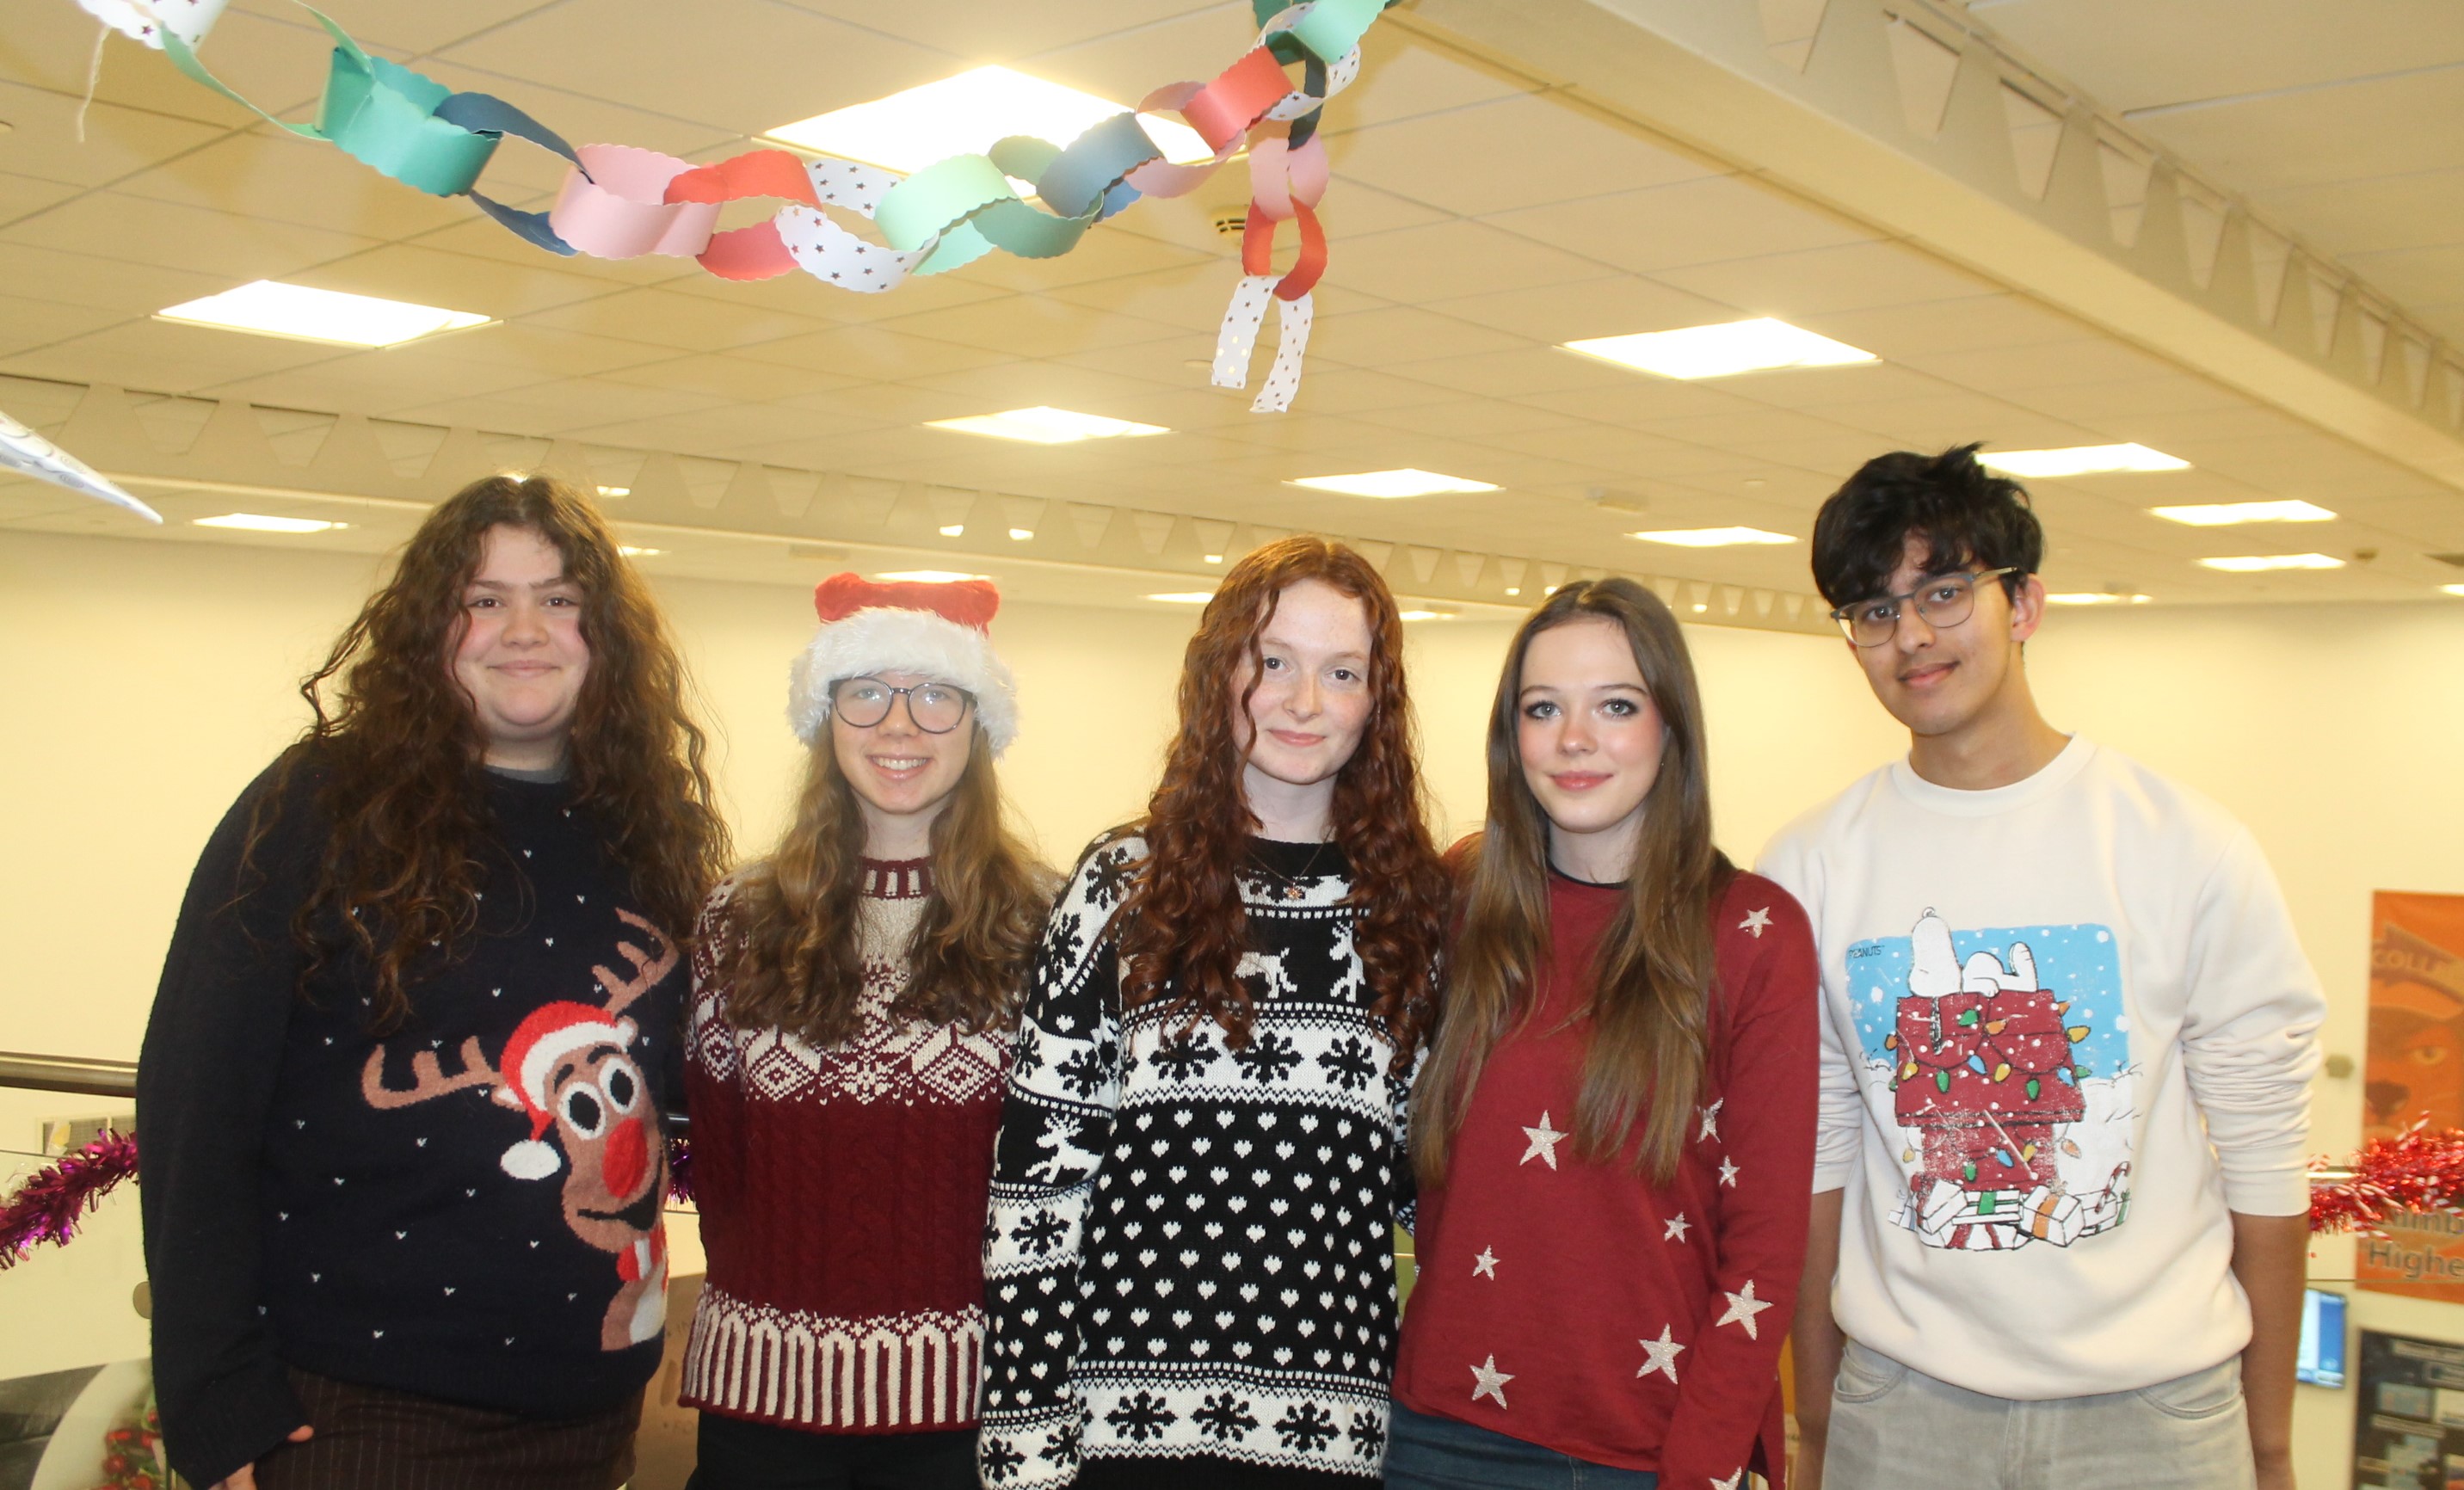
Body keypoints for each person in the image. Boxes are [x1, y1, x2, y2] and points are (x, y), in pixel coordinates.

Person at [137, 474, 729, 1490]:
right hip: (363, 1409)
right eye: (484, 599)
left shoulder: (649, 827)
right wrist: (215, 1394)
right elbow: (197, 1100)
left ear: (603, 633)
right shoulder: (315, 804)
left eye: (558, 598)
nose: (524, 630)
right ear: (432, 629)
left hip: (591, 1407)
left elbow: (690, 1073)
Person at [1758, 446, 2326, 1490]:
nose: (1911, 636)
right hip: (1905, 1404)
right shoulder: (1807, 867)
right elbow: (1815, 1163)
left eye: (1942, 592)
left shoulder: (2182, 844)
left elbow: (2262, 1155)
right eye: (1872, 611)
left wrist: (2271, 1441)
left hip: (2155, 1413)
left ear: (2022, 604)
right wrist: (1816, 1424)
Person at [976, 536, 1451, 1489]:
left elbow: (1424, 1186)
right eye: (1271, 661)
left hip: (1332, 1435)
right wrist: (1022, 1448)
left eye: (1341, 671)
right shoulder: (1122, 885)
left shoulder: (1411, 913)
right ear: (1219, 672)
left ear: (1376, 702)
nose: (1303, 701)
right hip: (1126, 1434)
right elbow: (1036, 1189)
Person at [1385, 579, 1818, 1490]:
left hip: (1638, 1452)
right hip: (1429, 1434)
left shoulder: (1749, 933)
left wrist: (1698, 1469)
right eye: (1543, 708)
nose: (1573, 738)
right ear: (1513, 737)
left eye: (1614, 706)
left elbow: (1763, 1253)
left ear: (1670, 728)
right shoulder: (1461, 899)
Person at [678, 574, 1051, 1487]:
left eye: (933, 695)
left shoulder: (1046, 922)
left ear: (977, 724)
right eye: (865, 693)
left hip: (969, 1413)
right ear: (825, 717)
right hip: (764, 1403)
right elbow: (716, 1163)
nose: (898, 725)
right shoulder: (738, 917)